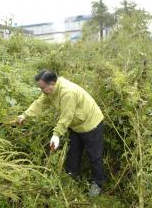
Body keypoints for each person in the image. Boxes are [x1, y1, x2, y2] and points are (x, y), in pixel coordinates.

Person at [16, 69, 106, 197]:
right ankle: (71, 176)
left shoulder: (67, 92)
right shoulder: (51, 91)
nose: (41, 91)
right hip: (76, 125)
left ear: (52, 83)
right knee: (74, 152)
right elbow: (40, 103)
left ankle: (97, 183)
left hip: (92, 124)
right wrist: (25, 115)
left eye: (42, 88)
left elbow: (66, 117)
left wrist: (56, 134)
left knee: (95, 156)